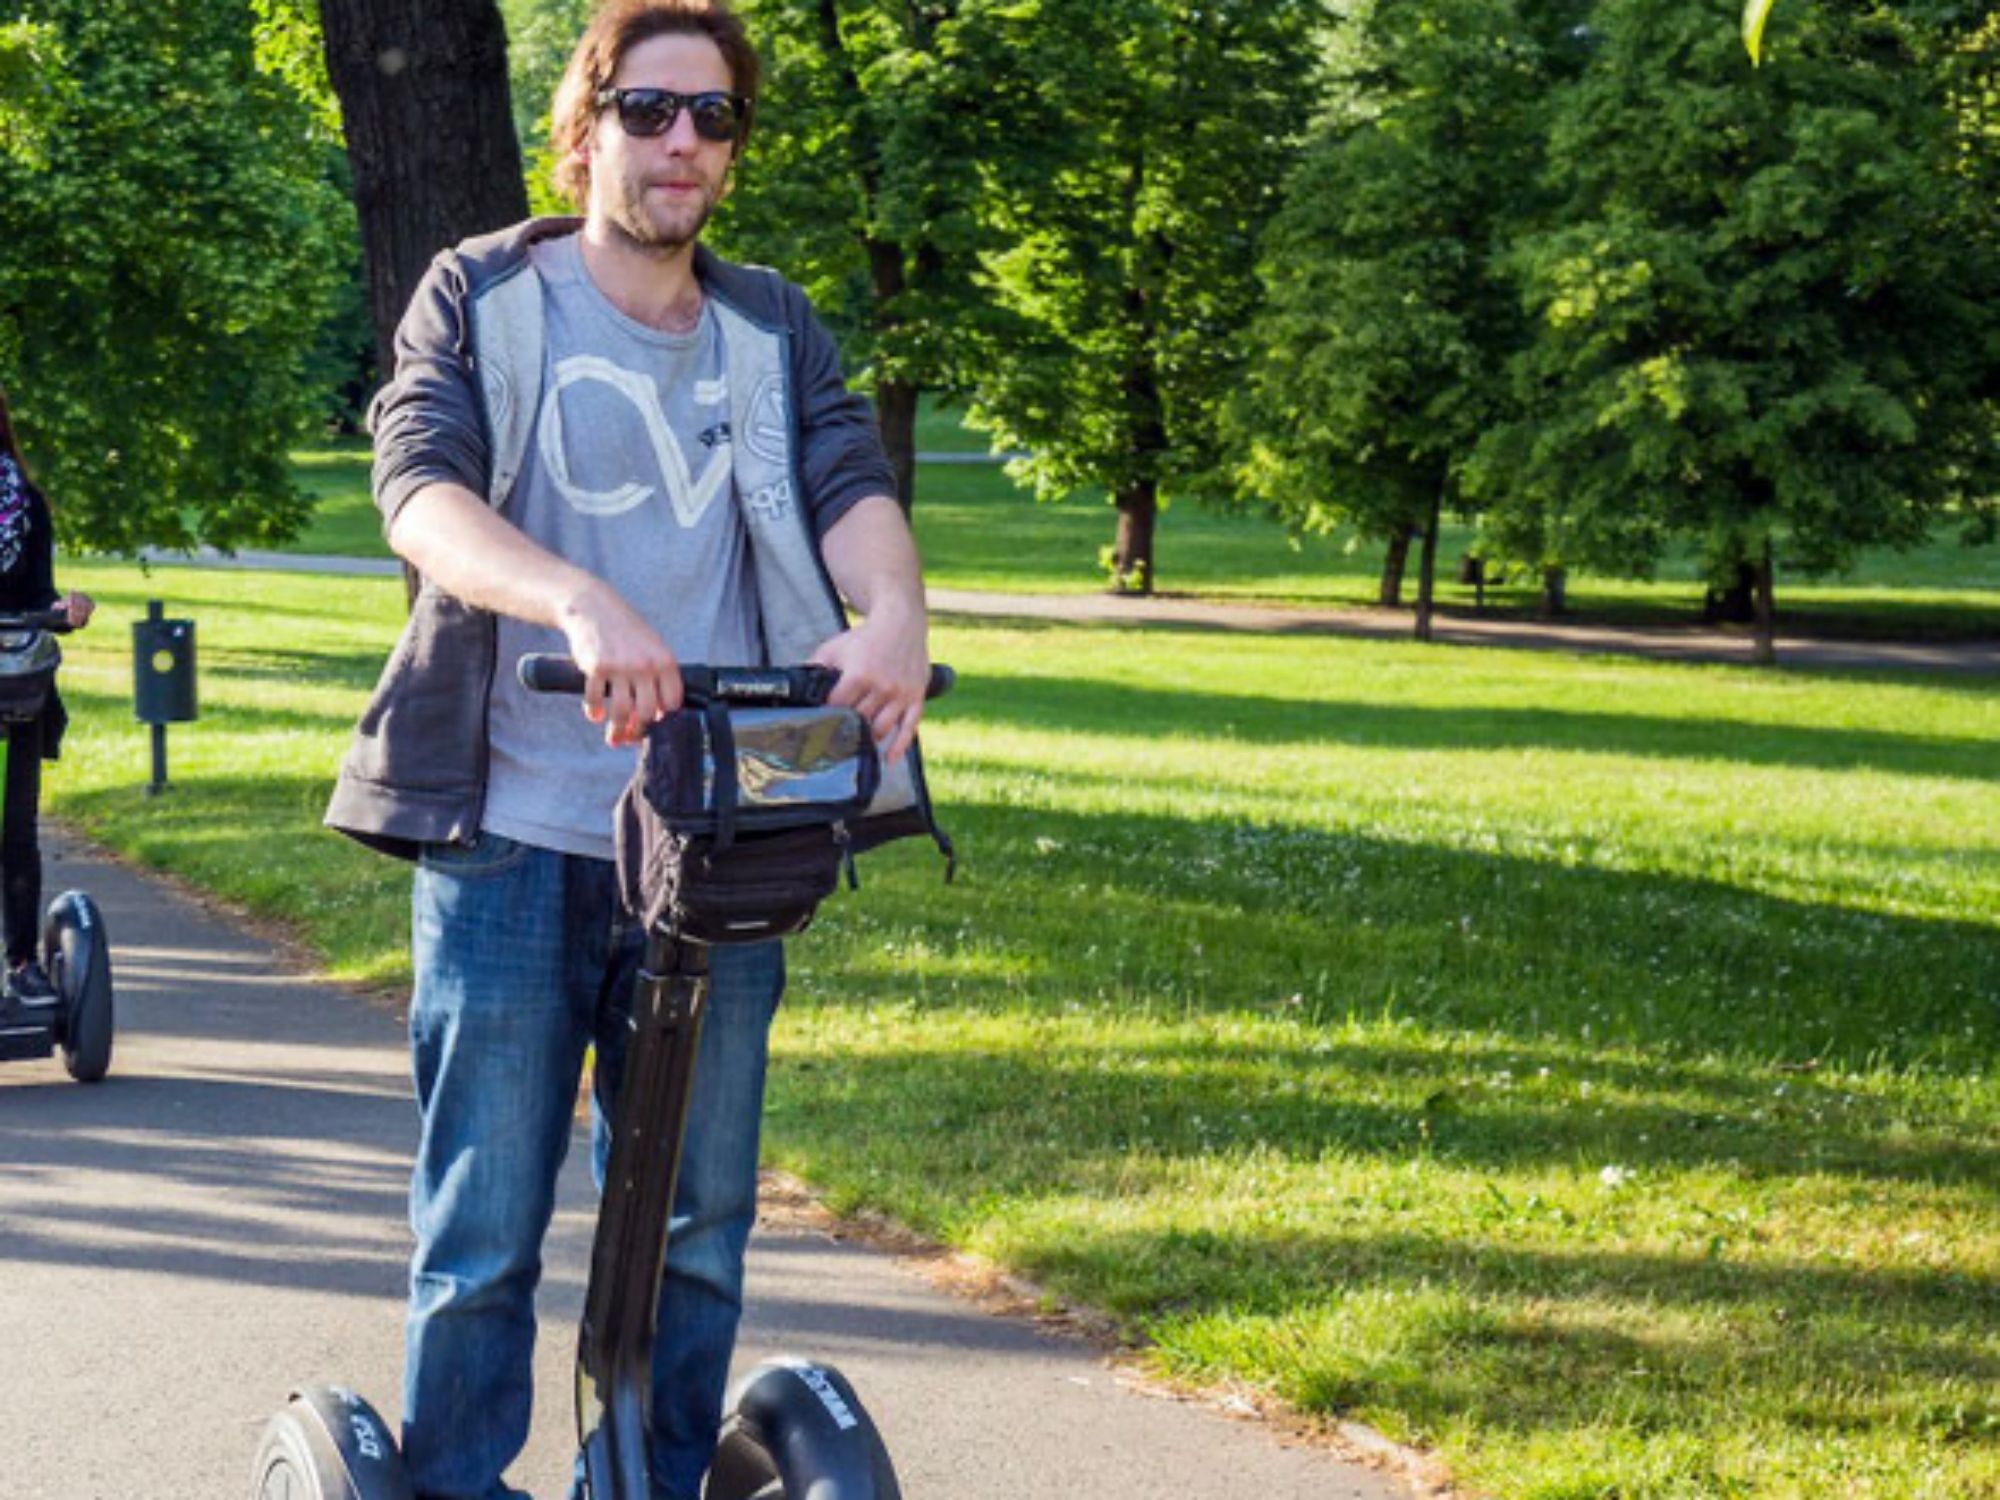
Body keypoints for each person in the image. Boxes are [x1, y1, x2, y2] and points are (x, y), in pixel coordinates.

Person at [322, 1, 929, 1496]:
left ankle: (643, 1485)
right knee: (482, 1229)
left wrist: (897, 612)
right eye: (652, 112)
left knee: (700, 1223)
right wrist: (576, 597)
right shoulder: (482, 293)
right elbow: (418, 492)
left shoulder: (773, 324)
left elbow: (851, 477)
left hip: (717, 848)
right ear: (584, 123)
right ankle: (460, 1483)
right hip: (514, 834)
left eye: (714, 120)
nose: (683, 145)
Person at [0, 385, 94, 1005]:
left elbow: (37, 595)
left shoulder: (24, 503)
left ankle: (23, 965)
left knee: (15, 829)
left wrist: (64, 610)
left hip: (14, 682)